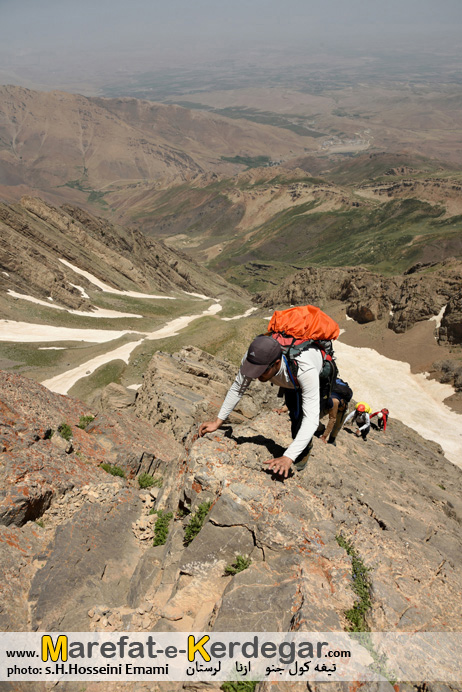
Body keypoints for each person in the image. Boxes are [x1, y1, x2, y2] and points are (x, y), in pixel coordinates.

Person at [199, 334, 323, 477]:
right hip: (290, 381)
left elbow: (311, 418)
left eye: (262, 371)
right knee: (294, 410)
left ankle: (304, 450)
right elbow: (238, 387)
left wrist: (288, 457)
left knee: (301, 419)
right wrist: (217, 422)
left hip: (310, 379)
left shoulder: (305, 369)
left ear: (277, 363)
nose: (257, 376)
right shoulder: (254, 358)